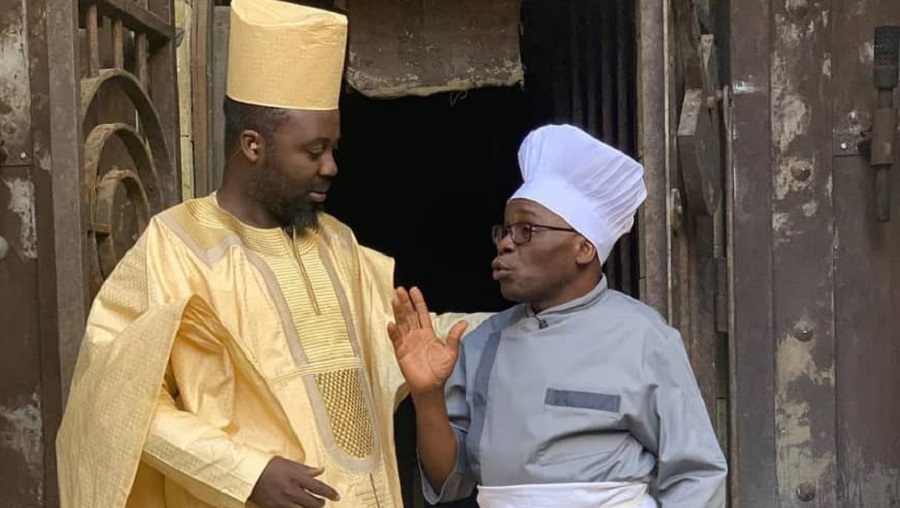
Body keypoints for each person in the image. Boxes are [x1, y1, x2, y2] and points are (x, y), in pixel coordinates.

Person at [55, 1, 487, 507]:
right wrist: (246, 472)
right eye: (314, 150)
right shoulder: (175, 246)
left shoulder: (339, 244)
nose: (331, 167)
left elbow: (406, 335)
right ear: (253, 145)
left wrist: (530, 318)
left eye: (334, 150)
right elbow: (117, 397)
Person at [388, 124, 728, 508]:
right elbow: (448, 482)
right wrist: (427, 394)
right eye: (504, 230)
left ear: (583, 247)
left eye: (526, 231)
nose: (504, 243)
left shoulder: (642, 336)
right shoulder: (484, 342)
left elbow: (696, 474)